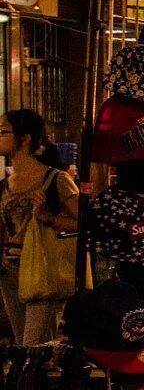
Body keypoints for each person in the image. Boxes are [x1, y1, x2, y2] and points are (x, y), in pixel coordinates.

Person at [0, 110, 81, 345]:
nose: (0, 137)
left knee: (34, 347)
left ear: (24, 138)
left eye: (4, 132)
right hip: (9, 270)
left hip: (43, 269)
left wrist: (48, 217)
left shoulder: (56, 179)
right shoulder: (5, 184)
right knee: (22, 344)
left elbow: (83, 224)